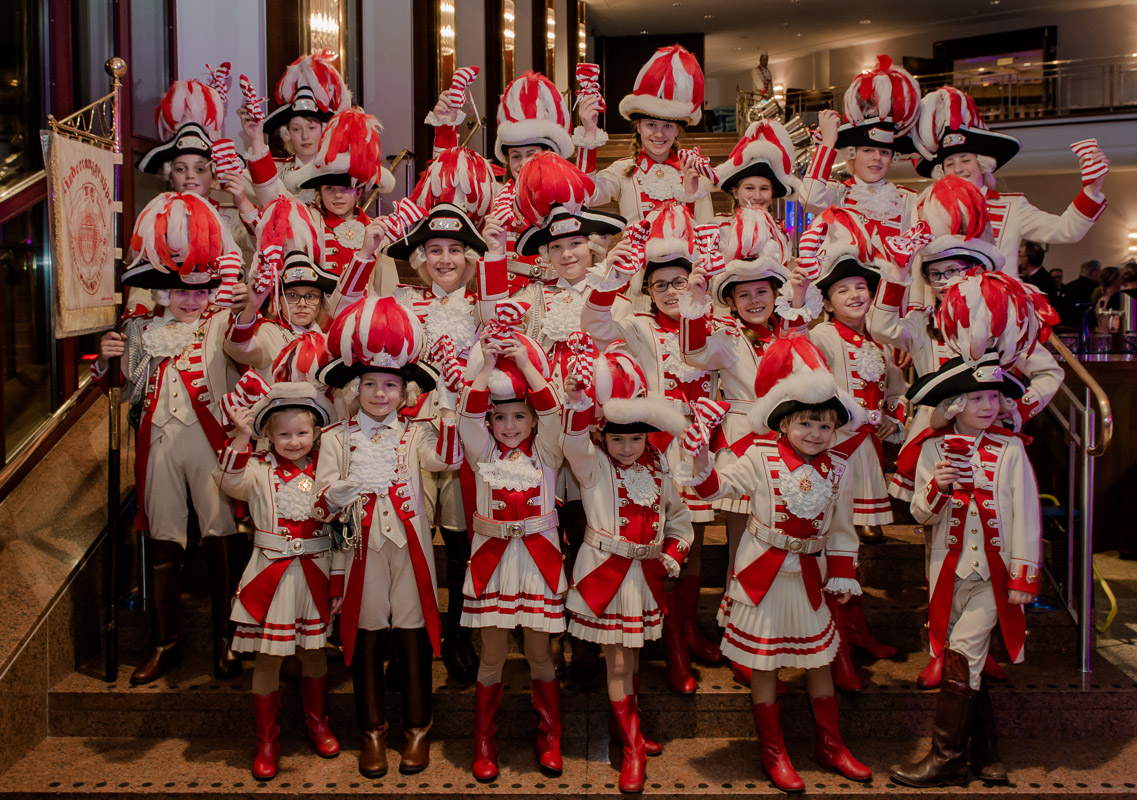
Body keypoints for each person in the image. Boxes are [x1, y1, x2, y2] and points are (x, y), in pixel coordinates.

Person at [685, 335, 871, 793]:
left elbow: (842, 529)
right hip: (761, 577)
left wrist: (842, 573)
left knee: (819, 661)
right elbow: (716, 489)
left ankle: (831, 745)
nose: (815, 433)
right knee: (764, 664)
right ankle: (774, 753)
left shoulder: (839, 469)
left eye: (825, 426)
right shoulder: (760, 456)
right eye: (805, 423)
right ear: (784, 423)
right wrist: (701, 457)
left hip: (809, 577)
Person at [481, 152, 629, 680]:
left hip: (597, 437)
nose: (568, 254)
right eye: (557, 246)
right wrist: (494, 255)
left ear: (592, 247)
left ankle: (593, 639)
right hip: (543, 440)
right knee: (553, 536)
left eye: (576, 244)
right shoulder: (529, 299)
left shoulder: (614, 298)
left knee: (596, 532)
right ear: (544, 253)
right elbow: (491, 321)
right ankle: (553, 636)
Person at [93, 193, 247, 686]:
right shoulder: (139, 330)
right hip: (157, 444)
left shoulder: (222, 324)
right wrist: (107, 358)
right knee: (163, 542)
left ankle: (226, 639)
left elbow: (248, 345)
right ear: (161, 291)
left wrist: (248, 304)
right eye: (179, 290)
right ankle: (166, 642)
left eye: (199, 291)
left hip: (211, 446)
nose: (189, 300)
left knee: (221, 541)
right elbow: (122, 387)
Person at [313, 296, 462, 778]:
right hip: (360, 553)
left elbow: (447, 460)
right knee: (367, 635)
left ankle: (418, 727)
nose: (380, 393)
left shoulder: (417, 433)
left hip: (409, 549)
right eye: (370, 384)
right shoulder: (335, 438)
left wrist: (450, 410)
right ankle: (372, 730)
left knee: (413, 635)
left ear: (405, 391)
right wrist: (338, 493)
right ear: (354, 388)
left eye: (391, 385)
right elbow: (320, 504)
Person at [581, 201, 727, 695]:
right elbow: (594, 323)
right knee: (656, 543)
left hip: (700, 447)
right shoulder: (638, 327)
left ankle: (683, 638)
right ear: (647, 290)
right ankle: (661, 639)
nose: (670, 292)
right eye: (660, 284)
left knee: (693, 548)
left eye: (679, 282)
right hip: (651, 451)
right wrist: (613, 278)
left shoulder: (713, 325)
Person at [890, 345, 1043, 787]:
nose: (988, 405)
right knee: (970, 662)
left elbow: (1027, 513)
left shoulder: (1011, 450)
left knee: (961, 654)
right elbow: (921, 516)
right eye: (977, 398)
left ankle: (947, 759)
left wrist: (1023, 576)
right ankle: (987, 753)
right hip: (948, 574)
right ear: (954, 404)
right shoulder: (932, 449)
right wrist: (938, 487)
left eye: (993, 397)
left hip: (994, 577)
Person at [678, 205, 816, 686]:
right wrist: (696, 301)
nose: (754, 300)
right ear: (731, 300)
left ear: (776, 294)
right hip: (741, 442)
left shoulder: (793, 331)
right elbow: (693, 353)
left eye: (762, 291)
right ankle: (740, 638)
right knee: (742, 544)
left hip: (790, 445)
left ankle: (776, 633)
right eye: (744, 294)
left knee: (778, 541)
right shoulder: (724, 336)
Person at [559, 340, 692, 793]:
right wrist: (578, 401)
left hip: (643, 578)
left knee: (631, 660)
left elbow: (679, 520)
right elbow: (572, 442)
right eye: (618, 438)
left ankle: (626, 730)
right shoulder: (592, 466)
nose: (628, 447)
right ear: (603, 438)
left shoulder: (659, 468)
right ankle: (633, 748)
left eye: (636, 438)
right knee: (617, 664)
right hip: (605, 574)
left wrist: (673, 553)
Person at [800, 208, 906, 692]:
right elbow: (813, 390)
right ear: (826, 301)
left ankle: (857, 629)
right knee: (834, 543)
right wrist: (857, 415)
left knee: (851, 546)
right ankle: (836, 644)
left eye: (861, 287)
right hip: (836, 451)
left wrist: (893, 418)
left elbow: (895, 392)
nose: (855, 295)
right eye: (842, 290)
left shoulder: (878, 344)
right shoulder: (821, 336)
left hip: (865, 453)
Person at [457, 312, 566, 782]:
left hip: (539, 565)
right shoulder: (481, 452)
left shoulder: (548, 452)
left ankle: (550, 737)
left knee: (541, 655)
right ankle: (484, 741)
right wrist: (485, 368)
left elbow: (555, 413)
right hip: (493, 566)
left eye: (519, 416)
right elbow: (467, 416)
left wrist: (525, 363)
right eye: (499, 417)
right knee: (492, 656)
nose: (508, 425)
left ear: (533, 419)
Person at [214, 381, 338, 779]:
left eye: (302, 433)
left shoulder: (327, 470)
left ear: (316, 432)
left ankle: (317, 724)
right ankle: (267, 741)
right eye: (284, 434)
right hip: (270, 575)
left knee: (314, 653)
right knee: (268, 658)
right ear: (268, 434)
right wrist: (240, 437)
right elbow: (228, 482)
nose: (294, 441)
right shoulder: (257, 469)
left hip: (316, 572)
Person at [914, 86, 1109, 275]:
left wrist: (1092, 189)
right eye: (950, 164)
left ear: (983, 165)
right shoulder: (930, 208)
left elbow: (1065, 230)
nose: (958, 169)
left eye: (966, 160)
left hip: (999, 297)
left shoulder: (1012, 207)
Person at [430, 70, 576, 288]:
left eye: (531, 154)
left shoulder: (566, 197)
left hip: (553, 296)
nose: (523, 163)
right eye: (516, 156)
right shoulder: (494, 196)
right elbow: (445, 188)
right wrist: (445, 127)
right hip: (501, 295)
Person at [581, 45, 714, 225]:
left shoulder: (693, 173)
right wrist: (589, 133)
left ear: (677, 130)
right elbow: (585, 196)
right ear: (638, 127)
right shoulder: (622, 170)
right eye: (651, 125)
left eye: (668, 125)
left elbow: (706, 230)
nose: (659, 133)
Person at [802, 56, 922, 245]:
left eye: (884, 152)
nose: (877, 158)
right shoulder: (838, 194)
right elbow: (810, 199)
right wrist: (828, 143)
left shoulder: (908, 200)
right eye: (867, 150)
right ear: (852, 154)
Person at [294, 108, 397, 277]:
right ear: (319, 193)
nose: (338, 195)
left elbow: (385, 283)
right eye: (329, 188)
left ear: (359, 192)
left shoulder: (375, 230)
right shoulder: (309, 227)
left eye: (346, 188)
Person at [245, 50, 351, 207]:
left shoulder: (339, 170)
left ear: (324, 131)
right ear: (287, 133)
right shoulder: (278, 171)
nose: (305, 136)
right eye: (296, 129)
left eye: (311, 128)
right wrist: (255, 138)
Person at [1018, 241, 1060, 308]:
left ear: (1026, 259)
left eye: (1020, 256)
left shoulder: (1044, 281)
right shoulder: (1026, 276)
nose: (1019, 260)